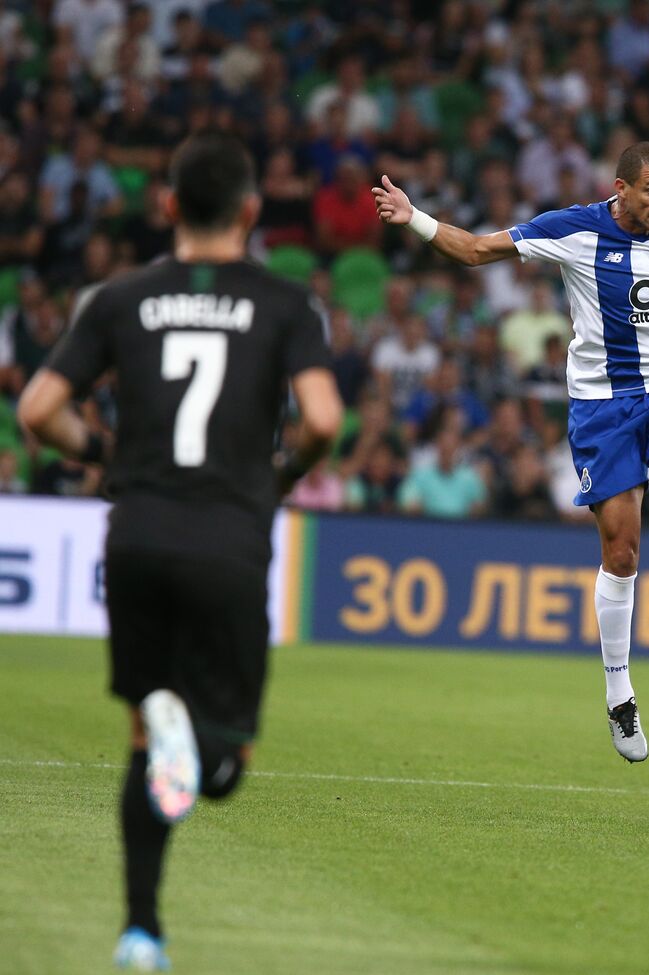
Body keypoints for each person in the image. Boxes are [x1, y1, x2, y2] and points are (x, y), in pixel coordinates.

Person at [16, 132, 343, 968]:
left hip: (138, 530)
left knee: (144, 735)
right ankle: (200, 744)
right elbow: (323, 419)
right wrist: (280, 474)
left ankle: (141, 930)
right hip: (229, 536)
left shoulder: (119, 298)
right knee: (223, 766)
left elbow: (38, 410)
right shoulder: (284, 304)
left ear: (167, 206)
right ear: (251, 210)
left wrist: (101, 453)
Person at [373, 141, 649, 763]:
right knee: (622, 550)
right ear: (620, 189)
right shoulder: (572, 230)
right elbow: (475, 251)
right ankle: (619, 693)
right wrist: (413, 217)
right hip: (603, 404)